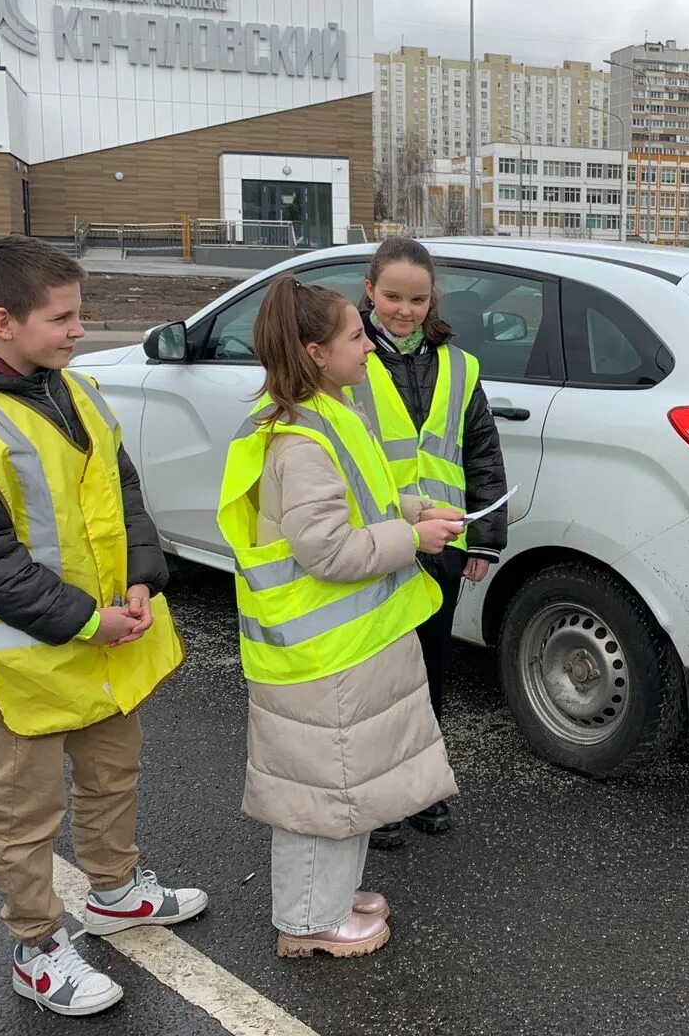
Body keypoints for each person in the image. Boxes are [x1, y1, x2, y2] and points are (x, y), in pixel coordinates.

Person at [0, 235, 205, 1018]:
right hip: (28, 663)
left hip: (105, 644)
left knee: (112, 778)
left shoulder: (73, 389)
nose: (79, 330)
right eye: (63, 317)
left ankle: (113, 891)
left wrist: (143, 575)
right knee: (23, 815)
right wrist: (83, 620)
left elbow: (122, 489)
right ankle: (36, 946)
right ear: (2, 321)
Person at [216, 275, 462, 958]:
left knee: (343, 787)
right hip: (319, 657)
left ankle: (327, 897)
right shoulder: (301, 440)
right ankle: (306, 923)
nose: (369, 345)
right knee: (318, 798)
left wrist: (413, 512)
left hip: (340, 651)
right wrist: (413, 540)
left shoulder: (330, 413)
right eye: (355, 335)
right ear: (315, 352)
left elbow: (364, 500)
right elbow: (327, 549)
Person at [350, 236, 508, 848]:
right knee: (377, 680)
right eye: (391, 296)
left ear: (431, 298)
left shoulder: (459, 366)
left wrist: (483, 541)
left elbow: (483, 455)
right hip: (371, 545)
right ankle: (380, 799)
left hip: (439, 546)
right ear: (369, 292)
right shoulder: (348, 357)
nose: (404, 310)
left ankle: (421, 790)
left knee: (429, 674)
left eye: (417, 298)